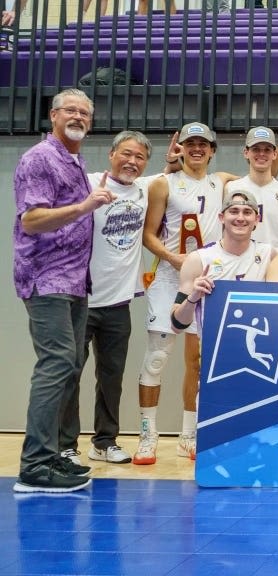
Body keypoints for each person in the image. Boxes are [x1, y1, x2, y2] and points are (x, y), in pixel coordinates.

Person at [12, 88, 107, 493]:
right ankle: (34, 466)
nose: (79, 117)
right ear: (53, 115)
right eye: (71, 110)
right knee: (55, 366)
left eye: (85, 112)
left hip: (73, 281)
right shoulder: (39, 158)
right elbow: (32, 220)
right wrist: (84, 207)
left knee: (67, 367)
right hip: (46, 279)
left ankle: (51, 455)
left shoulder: (74, 159)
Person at [135, 121, 238, 465]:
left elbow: (264, 180)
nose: (196, 148)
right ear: (181, 147)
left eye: (203, 143)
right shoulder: (163, 184)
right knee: (157, 357)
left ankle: (188, 435)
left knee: (196, 361)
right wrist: (172, 258)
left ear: (212, 149)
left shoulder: (222, 181)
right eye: (190, 143)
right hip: (168, 277)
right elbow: (148, 235)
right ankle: (147, 437)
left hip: (205, 280)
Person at [63, 131, 157, 466]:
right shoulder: (86, 182)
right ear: (111, 153)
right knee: (69, 374)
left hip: (118, 303)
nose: (132, 162)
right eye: (126, 154)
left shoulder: (147, 188)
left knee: (111, 377)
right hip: (80, 299)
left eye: (140, 157)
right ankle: (65, 446)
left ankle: (104, 442)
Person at [171, 191, 276, 337]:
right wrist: (193, 298)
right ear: (221, 217)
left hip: (258, 345)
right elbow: (176, 326)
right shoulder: (198, 259)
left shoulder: (269, 254)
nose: (240, 218)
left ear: (257, 219)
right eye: (233, 211)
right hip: (215, 352)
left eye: (247, 212)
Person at [226, 125, 278, 251]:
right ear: (246, 153)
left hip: (275, 266)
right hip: (240, 265)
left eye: (267, 150)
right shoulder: (230, 189)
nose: (261, 154)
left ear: (275, 154)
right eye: (256, 149)